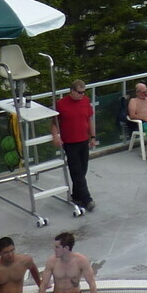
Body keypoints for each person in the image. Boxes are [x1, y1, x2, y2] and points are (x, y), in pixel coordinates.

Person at [50, 79, 97, 210]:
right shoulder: (61, 104)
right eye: (79, 92)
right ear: (72, 91)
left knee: (82, 169)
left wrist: (93, 136)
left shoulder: (86, 101)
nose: (82, 95)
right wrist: (55, 136)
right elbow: (54, 122)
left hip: (83, 140)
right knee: (76, 171)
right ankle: (87, 199)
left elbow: (89, 119)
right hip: (70, 142)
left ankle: (76, 195)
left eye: (83, 92)